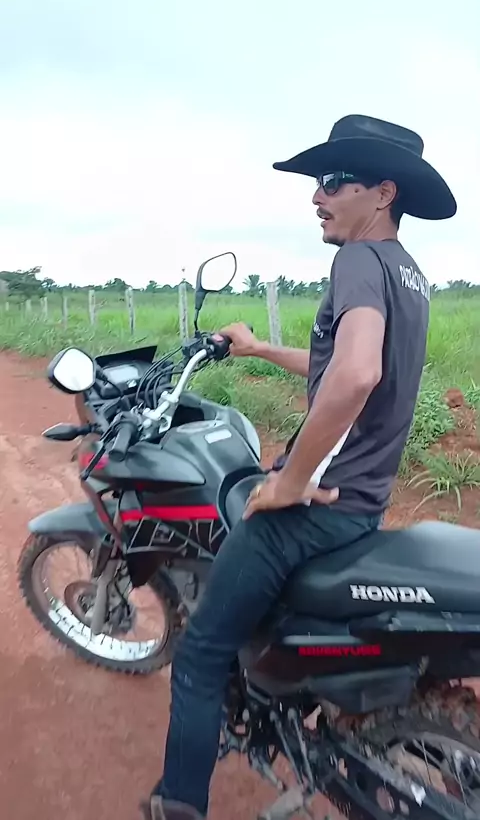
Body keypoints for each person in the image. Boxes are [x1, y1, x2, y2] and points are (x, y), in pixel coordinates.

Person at [141, 114, 456, 820]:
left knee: (200, 654)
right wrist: (257, 349)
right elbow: (337, 362)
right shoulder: (409, 273)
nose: (317, 195)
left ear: (383, 192)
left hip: (317, 508)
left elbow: (357, 374)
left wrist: (286, 482)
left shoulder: (358, 261)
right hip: (364, 501)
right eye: (318, 182)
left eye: (335, 181)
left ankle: (179, 803)